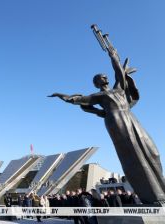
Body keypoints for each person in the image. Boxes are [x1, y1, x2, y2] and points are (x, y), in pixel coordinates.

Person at [49, 46, 165, 205]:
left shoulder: (118, 89)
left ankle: (162, 190)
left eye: (105, 75)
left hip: (131, 118)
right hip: (116, 122)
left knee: (153, 152)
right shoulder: (99, 96)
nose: (106, 76)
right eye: (102, 76)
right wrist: (61, 95)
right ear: (98, 82)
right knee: (135, 155)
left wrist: (113, 55)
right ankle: (154, 196)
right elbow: (77, 100)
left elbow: (119, 74)